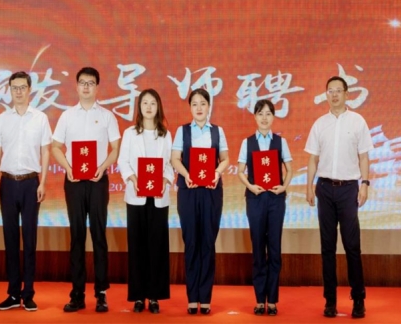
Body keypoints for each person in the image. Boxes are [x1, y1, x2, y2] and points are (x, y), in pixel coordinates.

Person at [51, 67, 121, 313]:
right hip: (74, 181)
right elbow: (55, 147)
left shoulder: (107, 116)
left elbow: (116, 148)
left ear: (97, 87)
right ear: (77, 86)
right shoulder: (67, 116)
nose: (86, 87)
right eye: (82, 82)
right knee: (77, 236)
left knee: (99, 235)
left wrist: (102, 167)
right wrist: (67, 167)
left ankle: (101, 293)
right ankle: (77, 293)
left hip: (98, 181)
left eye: (91, 83)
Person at [305, 75, 373, 319]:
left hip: (348, 189)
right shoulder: (319, 124)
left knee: (352, 245)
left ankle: (358, 299)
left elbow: (364, 156)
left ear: (346, 94)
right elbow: (313, 158)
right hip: (324, 188)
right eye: (330, 91)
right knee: (327, 247)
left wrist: (364, 184)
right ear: (326, 95)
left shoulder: (357, 121)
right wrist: (309, 186)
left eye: (338, 90)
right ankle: (330, 301)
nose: (334, 95)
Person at [0, 71, 52, 312]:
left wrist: (43, 182)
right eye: (14, 88)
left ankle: (29, 294)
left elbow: (46, 151)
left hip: (30, 183)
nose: (18, 91)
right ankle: (13, 293)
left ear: (29, 89)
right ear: (10, 90)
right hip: (7, 182)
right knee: (10, 239)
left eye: (22, 87)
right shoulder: (2, 119)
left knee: (29, 238)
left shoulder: (40, 118)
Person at [170, 88, 229, 315]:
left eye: (203, 103)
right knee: (191, 242)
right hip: (189, 191)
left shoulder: (218, 131)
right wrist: (186, 174)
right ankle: (192, 298)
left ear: (209, 106)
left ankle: (205, 298)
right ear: (190, 108)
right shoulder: (182, 131)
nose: (199, 108)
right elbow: (175, 159)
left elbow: (225, 159)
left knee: (207, 242)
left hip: (211, 191)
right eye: (194, 104)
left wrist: (216, 173)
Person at [117, 89, 174, 314]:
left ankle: (155, 295)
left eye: (153, 103)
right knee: (137, 246)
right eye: (145, 103)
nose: (149, 107)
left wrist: (165, 180)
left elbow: (169, 164)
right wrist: (133, 179)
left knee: (157, 246)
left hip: (158, 198)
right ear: (139, 107)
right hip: (136, 196)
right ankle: (139, 296)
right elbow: (123, 161)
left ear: (158, 107)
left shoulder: (165, 134)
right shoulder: (130, 133)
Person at [237, 100, 293, 316]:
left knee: (275, 249)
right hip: (256, 199)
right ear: (255, 116)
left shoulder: (280, 141)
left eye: (268, 114)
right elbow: (240, 170)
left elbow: (289, 169)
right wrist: (251, 186)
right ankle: (260, 300)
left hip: (276, 199)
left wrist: (283, 187)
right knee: (259, 248)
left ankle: (273, 301)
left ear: (273, 117)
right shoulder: (247, 142)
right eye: (260, 113)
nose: (264, 118)